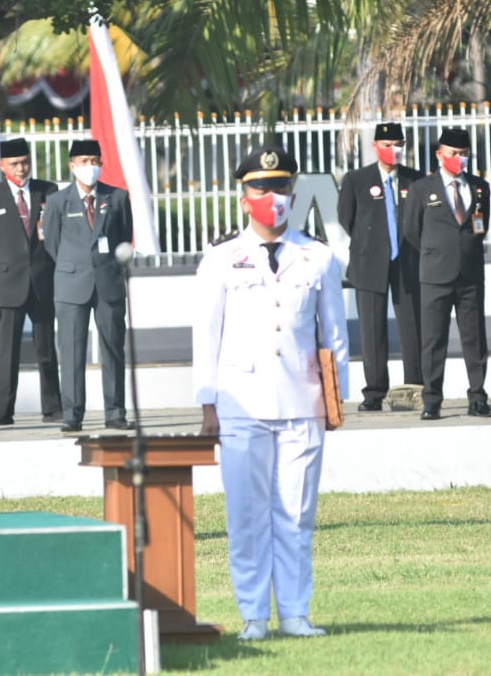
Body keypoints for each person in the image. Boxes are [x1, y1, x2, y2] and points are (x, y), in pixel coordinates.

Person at [193, 144, 349, 641]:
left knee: (297, 514)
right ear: (244, 198)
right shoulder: (222, 259)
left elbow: (334, 336)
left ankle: (296, 613)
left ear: (293, 195)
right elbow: (206, 334)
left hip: (303, 401)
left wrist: (335, 401)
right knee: (246, 516)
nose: (272, 197)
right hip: (241, 402)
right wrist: (207, 402)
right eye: (261, 188)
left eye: (280, 187)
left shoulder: (318, 257)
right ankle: (254, 616)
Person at [402, 127, 491, 420]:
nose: (459, 158)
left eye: (464, 153)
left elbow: (481, 225)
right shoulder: (421, 188)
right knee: (433, 339)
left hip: (470, 273)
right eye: (453, 153)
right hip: (435, 274)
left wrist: (464, 248)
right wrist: (436, 251)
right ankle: (432, 400)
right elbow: (411, 231)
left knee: (475, 339)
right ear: (439, 154)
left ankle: (478, 398)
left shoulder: (479, 187)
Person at [42, 139, 134, 432]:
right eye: (83, 161)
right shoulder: (58, 201)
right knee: (71, 352)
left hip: (108, 283)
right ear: (72, 166)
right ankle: (72, 414)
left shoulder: (117, 197)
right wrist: (74, 264)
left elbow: (124, 238)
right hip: (71, 284)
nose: (89, 167)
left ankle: (115, 412)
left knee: (113, 349)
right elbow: (52, 243)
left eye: (94, 161)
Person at [0, 137, 63, 426]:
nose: (21, 168)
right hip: (7, 286)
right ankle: (3, 412)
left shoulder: (47, 191)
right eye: (14, 164)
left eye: (24, 162)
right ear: (2, 166)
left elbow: (58, 236)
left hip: (42, 283)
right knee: (7, 353)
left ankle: (53, 408)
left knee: (46, 350)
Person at [337, 122, 424, 411]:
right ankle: (374, 393)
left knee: (412, 328)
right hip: (369, 262)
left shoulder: (415, 179)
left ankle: (415, 389)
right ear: (375, 146)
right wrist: (371, 242)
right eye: (387, 145)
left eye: (398, 145)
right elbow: (347, 217)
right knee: (372, 329)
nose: (393, 150)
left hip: (407, 263)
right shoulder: (357, 179)